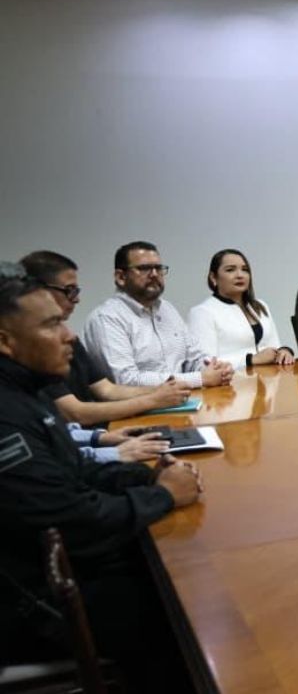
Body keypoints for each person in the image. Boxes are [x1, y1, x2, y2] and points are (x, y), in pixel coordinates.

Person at [0, 261, 201, 691]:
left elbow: (77, 469)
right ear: (5, 341)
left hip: (70, 569)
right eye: (52, 324)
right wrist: (163, 497)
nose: (69, 335)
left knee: (188, 570)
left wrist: (146, 478)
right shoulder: (6, 414)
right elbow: (69, 520)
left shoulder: (26, 391)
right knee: (187, 613)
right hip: (34, 602)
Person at [19, 250, 191, 427]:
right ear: (38, 292)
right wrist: (153, 400)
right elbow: (74, 413)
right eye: (69, 290)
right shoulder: (32, 347)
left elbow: (107, 390)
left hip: (98, 434)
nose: (77, 299)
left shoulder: (69, 338)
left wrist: (163, 391)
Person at [83, 241, 234, 388]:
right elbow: (126, 380)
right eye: (144, 268)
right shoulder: (107, 318)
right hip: (140, 404)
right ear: (121, 277)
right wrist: (199, 379)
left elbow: (192, 357)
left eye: (158, 268)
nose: (154, 274)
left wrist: (215, 369)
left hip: (184, 399)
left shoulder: (167, 309)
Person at [189, 249, 295, 369]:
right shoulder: (202, 312)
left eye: (245, 270)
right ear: (213, 277)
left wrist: (283, 352)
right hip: (231, 380)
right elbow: (204, 363)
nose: (240, 275)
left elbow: (274, 346)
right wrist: (250, 359)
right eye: (230, 270)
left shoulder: (260, 306)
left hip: (270, 376)